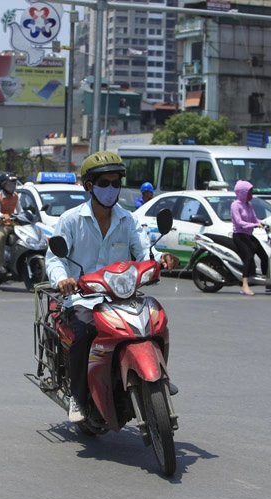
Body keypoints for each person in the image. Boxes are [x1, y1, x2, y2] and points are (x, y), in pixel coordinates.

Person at [45, 151, 179, 423]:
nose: (111, 189)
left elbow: (143, 251)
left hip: (122, 298)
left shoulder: (127, 220)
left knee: (155, 321)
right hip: (83, 299)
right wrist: (62, 279)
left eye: (116, 183)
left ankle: (159, 376)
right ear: (89, 186)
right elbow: (55, 258)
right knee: (83, 332)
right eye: (104, 183)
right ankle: (79, 398)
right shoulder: (71, 220)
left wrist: (159, 260)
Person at [231, 180, 271, 295]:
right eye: (249, 192)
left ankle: (267, 283)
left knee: (264, 256)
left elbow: (254, 219)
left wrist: (264, 222)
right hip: (239, 235)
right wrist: (254, 225)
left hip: (249, 235)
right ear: (242, 192)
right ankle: (245, 285)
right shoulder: (235, 205)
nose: (251, 194)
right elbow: (239, 222)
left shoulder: (249, 205)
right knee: (248, 257)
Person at [0, 172, 23, 275]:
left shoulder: (16, 196)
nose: (12, 186)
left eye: (13, 184)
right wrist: (2, 215)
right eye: (9, 184)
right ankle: (1, 263)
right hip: (2, 224)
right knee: (2, 236)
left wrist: (25, 216)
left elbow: (20, 210)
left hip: (13, 224)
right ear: (3, 185)